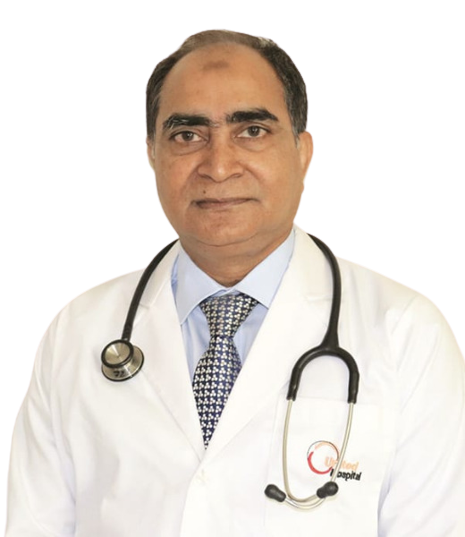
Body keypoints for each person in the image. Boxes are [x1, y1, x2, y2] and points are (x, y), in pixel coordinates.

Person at [4, 28, 465, 537]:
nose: (219, 166)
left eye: (252, 131)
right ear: (152, 154)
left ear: (303, 151)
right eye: (187, 135)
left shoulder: (406, 335)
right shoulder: (79, 333)